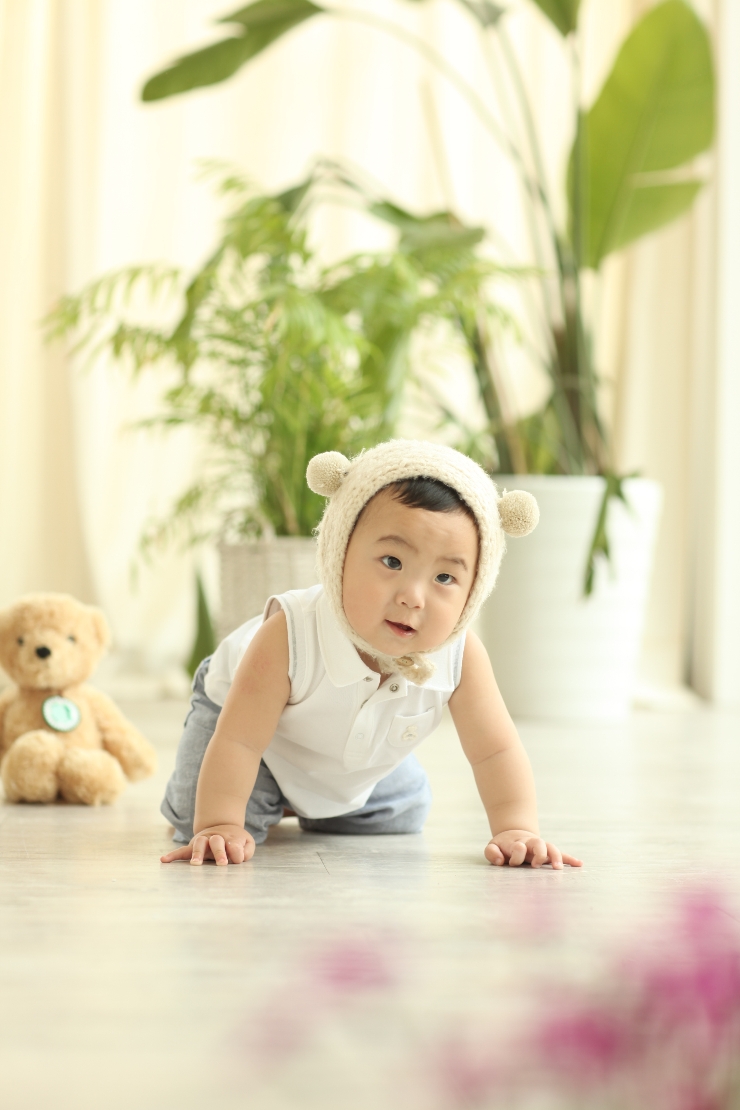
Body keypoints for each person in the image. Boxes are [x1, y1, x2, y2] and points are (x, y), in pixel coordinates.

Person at [160, 440, 582, 870]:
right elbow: (240, 740)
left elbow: (495, 751)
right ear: (340, 552)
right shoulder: (290, 633)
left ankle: (302, 799)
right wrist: (220, 822)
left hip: (336, 754)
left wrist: (517, 829)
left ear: (474, 590)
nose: (413, 597)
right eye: (392, 562)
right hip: (246, 726)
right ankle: (270, 794)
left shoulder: (460, 655)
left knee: (402, 811)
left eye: (444, 577)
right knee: (211, 823)